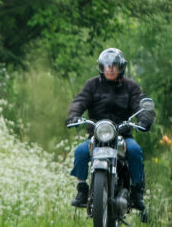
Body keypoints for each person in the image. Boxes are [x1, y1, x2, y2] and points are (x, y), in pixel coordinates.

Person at [65, 48, 155, 210]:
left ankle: (137, 192)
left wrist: (144, 120)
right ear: (101, 67)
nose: (110, 68)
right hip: (98, 135)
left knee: (135, 151)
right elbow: (80, 101)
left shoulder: (131, 87)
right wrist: (74, 115)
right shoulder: (92, 85)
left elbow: (140, 104)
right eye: (106, 65)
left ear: (121, 68)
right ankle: (82, 190)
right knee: (80, 152)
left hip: (122, 134)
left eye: (114, 65)